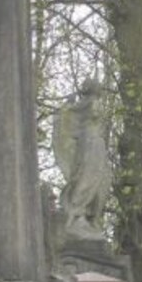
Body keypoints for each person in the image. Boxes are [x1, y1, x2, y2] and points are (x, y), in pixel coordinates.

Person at [53, 79, 111, 241]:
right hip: (88, 142)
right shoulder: (85, 104)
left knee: (100, 180)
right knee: (85, 177)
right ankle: (76, 213)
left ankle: (88, 216)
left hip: (97, 144)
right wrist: (68, 104)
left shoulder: (93, 103)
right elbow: (67, 113)